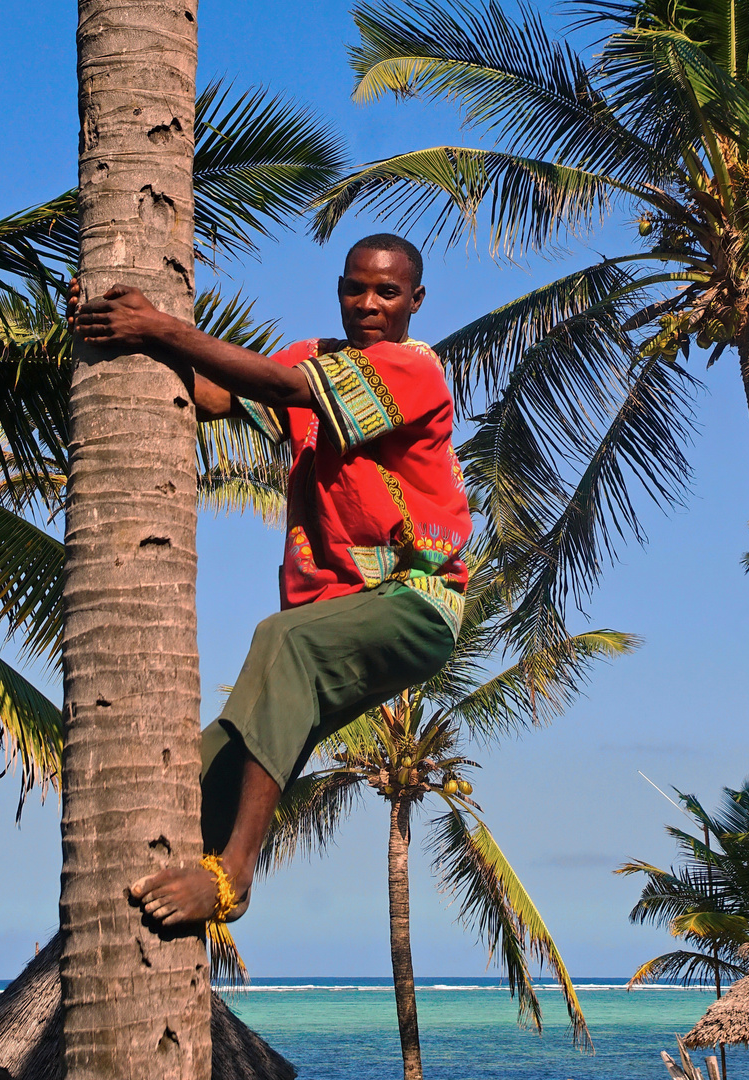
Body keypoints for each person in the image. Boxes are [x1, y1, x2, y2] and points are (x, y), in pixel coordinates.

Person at [68, 234, 471, 926]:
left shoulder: (411, 370)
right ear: (339, 290)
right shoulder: (312, 357)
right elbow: (214, 396)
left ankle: (236, 878)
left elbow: (284, 389)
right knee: (209, 765)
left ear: (416, 302)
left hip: (416, 603)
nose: (368, 304)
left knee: (283, 643)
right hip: (336, 613)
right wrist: (107, 333)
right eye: (355, 288)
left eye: (387, 292)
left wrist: (159, 324)